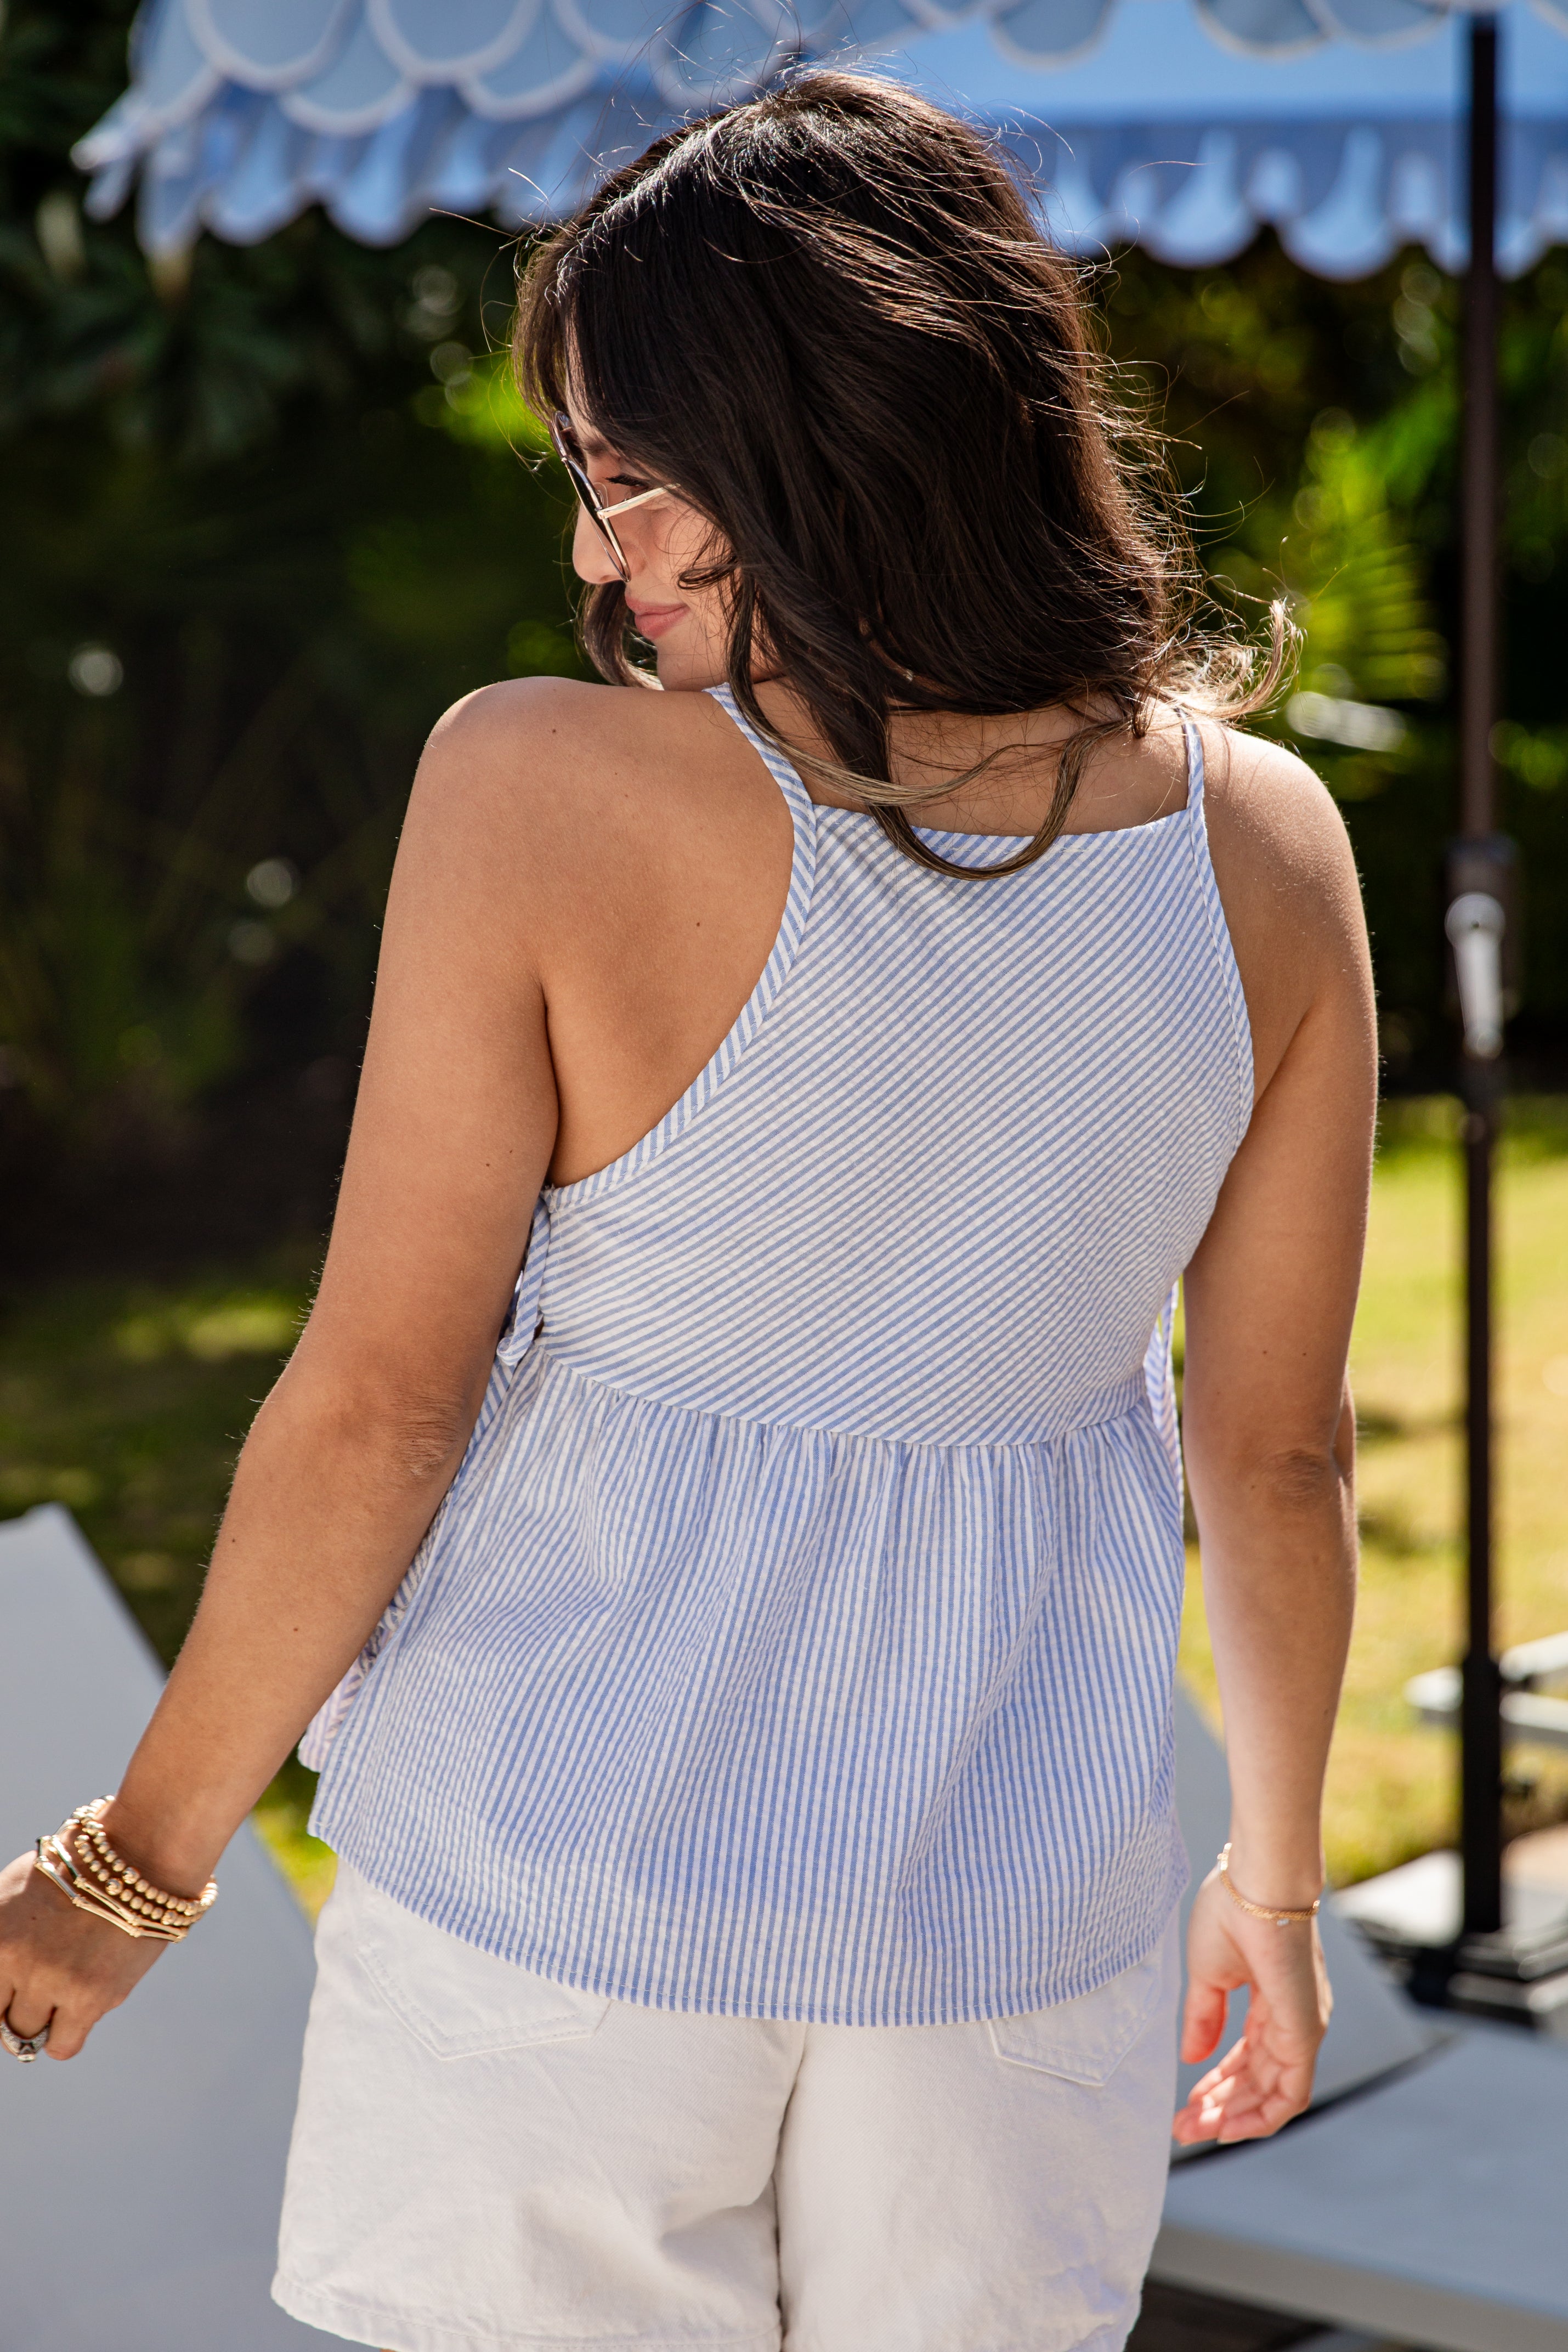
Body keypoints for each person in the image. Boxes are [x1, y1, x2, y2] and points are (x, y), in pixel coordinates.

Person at [0, 72, 1371, 2352]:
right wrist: (1279, 1876)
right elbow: (1278, 1457)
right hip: (1023, 1928)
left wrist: (133, 1862)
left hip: (560, 1898)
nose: (588, 548)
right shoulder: (1271, 849)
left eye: (623, 476)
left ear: (816, 442)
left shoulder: (531, 786)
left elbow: (374, 1404)